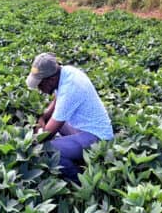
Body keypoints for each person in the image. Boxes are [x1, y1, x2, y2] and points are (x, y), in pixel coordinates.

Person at [26, 52, 113, 182]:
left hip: (98, 137)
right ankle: (72, 152)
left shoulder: (70, 88)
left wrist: (31, 139)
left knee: (46, 150)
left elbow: (47, 134)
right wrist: (43, 117)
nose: (39, 89)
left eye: (40, 84)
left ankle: (81, 181)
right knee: (52, 127)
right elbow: (56, 100)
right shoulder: (65, 72)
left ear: (51, 80)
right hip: (83, 127)